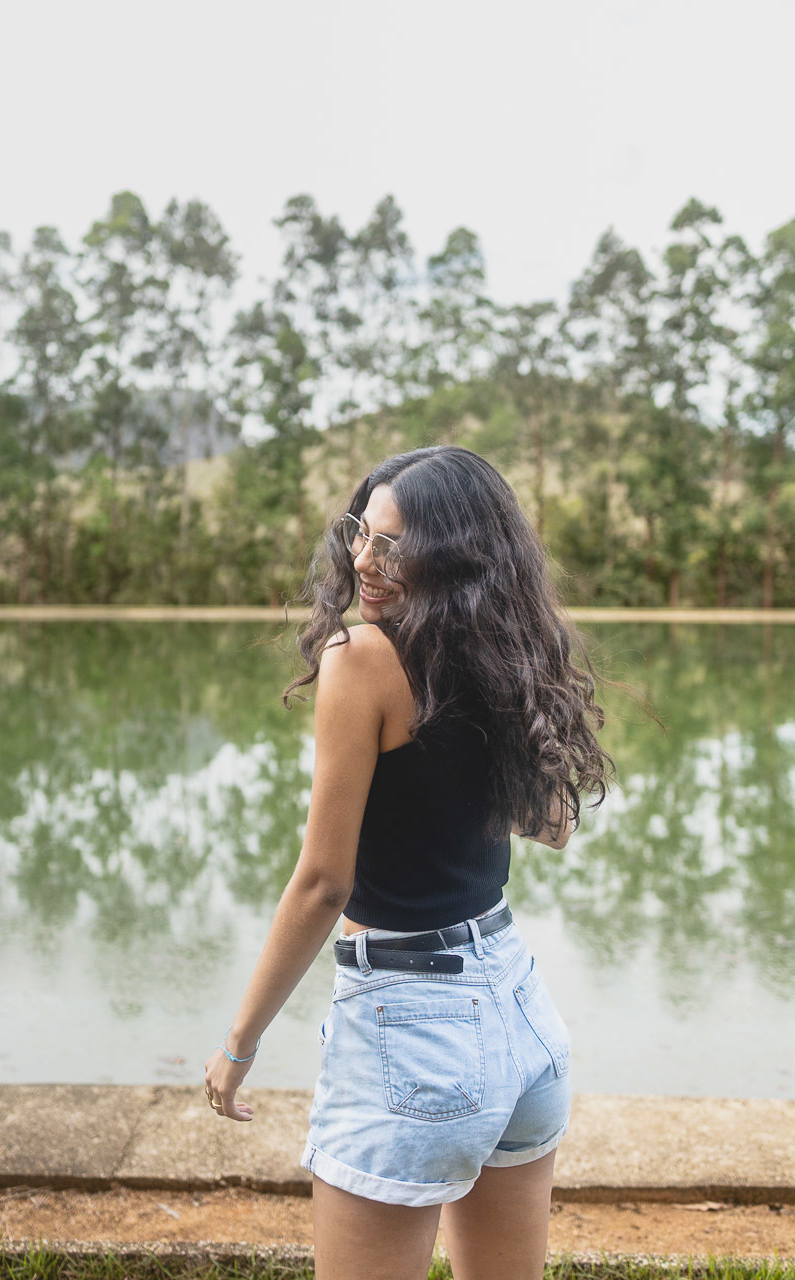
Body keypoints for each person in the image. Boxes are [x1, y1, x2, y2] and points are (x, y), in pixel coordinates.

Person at [205, 445, 614, 1280]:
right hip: (520, 1014)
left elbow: (323, 884)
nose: (363, 559)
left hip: (414, 1027)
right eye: (361, 532)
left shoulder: (361, 660)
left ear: (453, 553)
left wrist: (239, 1042)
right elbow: (555, 825)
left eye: (393, 545)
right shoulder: (501, 655)